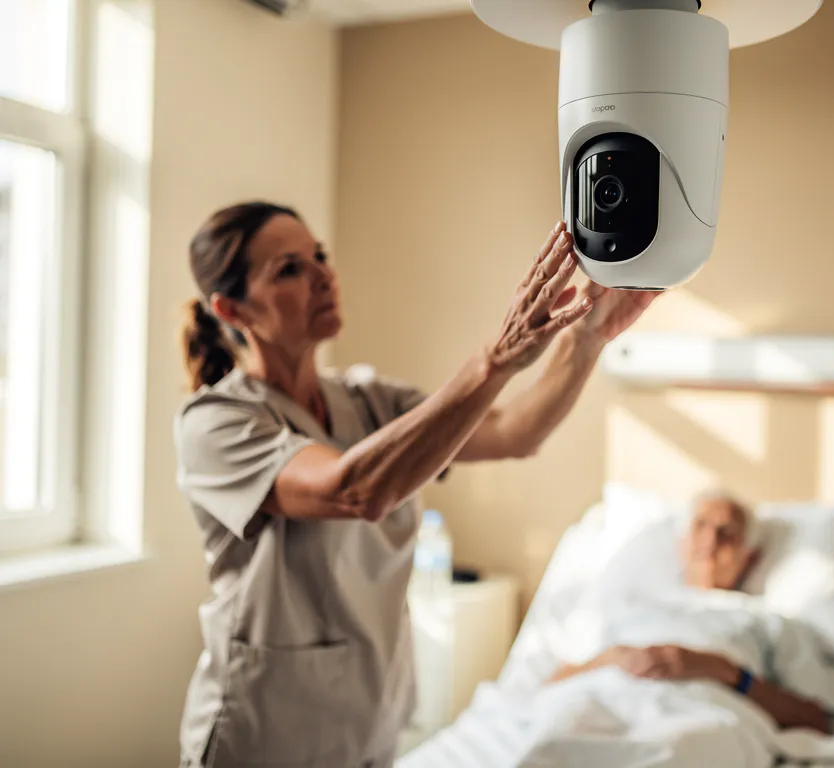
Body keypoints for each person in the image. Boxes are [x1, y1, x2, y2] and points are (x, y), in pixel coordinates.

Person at [173, 201, 658, 768]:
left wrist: (590, 336)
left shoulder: (368, 400)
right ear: (233, 310)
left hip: (368, 726)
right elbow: (352, 491)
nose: (324, 276)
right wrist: (494, 359)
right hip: (266, 735)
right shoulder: (215, 423)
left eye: (320, 257)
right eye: (290, 269)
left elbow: (514, 432)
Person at [546, 491, 833, 735]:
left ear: (749, 556)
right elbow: (548, 686)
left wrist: (722, 670)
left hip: (698, 713)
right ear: (682, 542)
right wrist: (611, 658)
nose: (710, 541)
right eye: (701, 526)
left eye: (727, 533)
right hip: (600, 698)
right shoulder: (628, 606)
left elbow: (817, 720)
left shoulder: (767, 621)